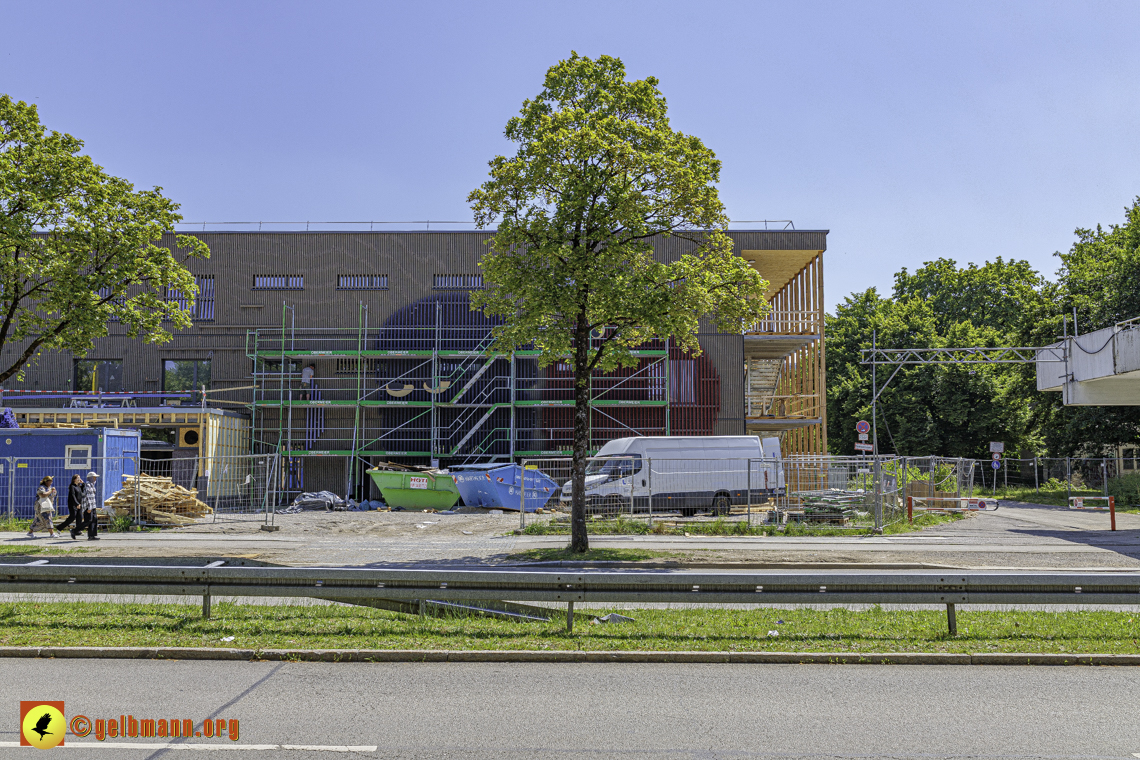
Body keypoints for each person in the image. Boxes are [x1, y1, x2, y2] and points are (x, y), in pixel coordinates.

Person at [80, 471, 100, 540]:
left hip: (93, 506)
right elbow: (88, 497)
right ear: (91, 478)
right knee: (89, 520)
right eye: (94, 477)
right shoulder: (88, 485)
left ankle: (93, 535)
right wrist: (89, 508)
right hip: (89, 507)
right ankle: (76, 530)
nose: (95, 479)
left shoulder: (91, 485)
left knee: (94, 520)